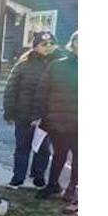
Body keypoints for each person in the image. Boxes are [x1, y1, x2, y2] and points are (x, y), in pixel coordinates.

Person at [3, 31, 60, 187]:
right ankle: (18, 175)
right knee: (22, 146)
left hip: (47, 115)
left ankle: (39, 175)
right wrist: (9, 111)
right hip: (24, 113)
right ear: (35, 46)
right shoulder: (23, 65)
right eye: (43, 44)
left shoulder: (59, 64)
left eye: (51, 44)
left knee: (43, 148)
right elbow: (11, 89)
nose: (48, 47)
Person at [35, 31, 78, 206]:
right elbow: (43, 91)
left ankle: (72, 187)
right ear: (73, 43)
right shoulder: (57, 66)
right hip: (58, 120)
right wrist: (42, 115)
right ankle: (52, 184)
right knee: (59, 154)